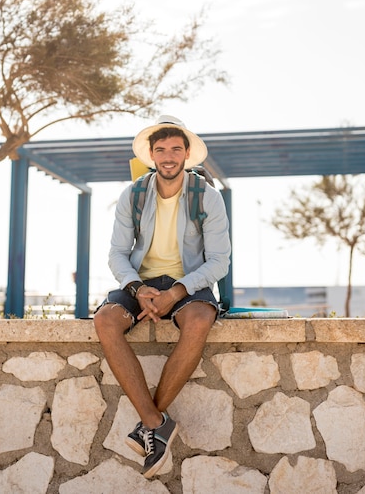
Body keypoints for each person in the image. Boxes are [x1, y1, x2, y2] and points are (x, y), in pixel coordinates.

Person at [94, 115, 231, 479]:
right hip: (141, 281)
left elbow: (219, 261)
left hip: (188, 280)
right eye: (161, 150)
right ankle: (155, 421)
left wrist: (176, 292)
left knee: (200, 319)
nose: (168, 156)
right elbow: (117, 254)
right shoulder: (134, 194)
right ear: (152, 156)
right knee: (105, 319)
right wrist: (138, 290)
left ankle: (148, 427)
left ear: (187, 154)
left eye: (175, 149)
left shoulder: (207, 196)